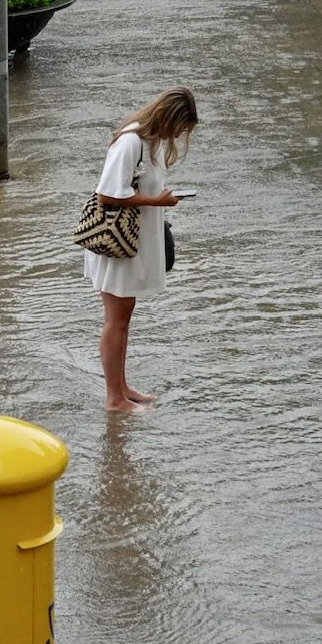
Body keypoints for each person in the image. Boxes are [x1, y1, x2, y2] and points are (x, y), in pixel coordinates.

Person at [83, 87, 198, 413]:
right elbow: (107, 195)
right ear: (166, 116)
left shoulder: (153, 142)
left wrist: (160, 198)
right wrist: (156, 201)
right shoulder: (132, 142)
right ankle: (114, 399)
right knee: (115, 321)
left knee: (123, 318)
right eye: (179, 126)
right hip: (118, 243)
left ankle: (122, 386)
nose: (178, 134)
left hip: (131, 244)